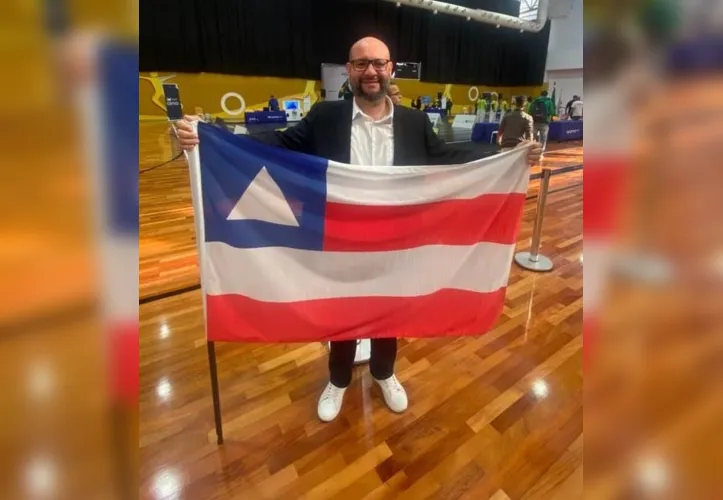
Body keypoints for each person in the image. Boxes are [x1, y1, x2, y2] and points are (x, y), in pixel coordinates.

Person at [176, 36, 542, 423]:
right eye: (362, 64)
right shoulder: (325, 116)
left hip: (398, 239)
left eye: (379, 64)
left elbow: (447, 157)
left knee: (391, 309)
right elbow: (277, 144)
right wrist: (212, 136)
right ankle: (337, 379)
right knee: (341, 309)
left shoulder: (414, 122)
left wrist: (507, 155)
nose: (371, 71)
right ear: (349, 70)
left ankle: (385, 373)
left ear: (391, 69)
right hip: (341, 240)